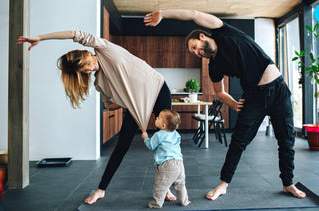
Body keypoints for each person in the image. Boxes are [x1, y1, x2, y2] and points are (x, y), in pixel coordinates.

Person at [144, 9, 306, 200]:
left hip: (279, 90)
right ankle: (223, 185)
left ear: (203, 36)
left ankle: (288, 184)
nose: (197, 52)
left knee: (287, 141)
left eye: (195, 46)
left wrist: (163, 13)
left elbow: (194, 14)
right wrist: (234, 104)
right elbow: (219, 92)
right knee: (238, 143)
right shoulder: (214, 67)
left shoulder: (223, 32)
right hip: (254, 96)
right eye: (193, 52)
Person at [16, 31, 175, 204]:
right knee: (122, 146)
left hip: (158, 89)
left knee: (166, 142)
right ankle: (101, 190)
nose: (89, 68)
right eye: (84, 70)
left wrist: (41, 38)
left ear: (86, 54)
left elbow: (74, 33)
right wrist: (122, 99)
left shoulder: (103, 48)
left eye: (86, 63)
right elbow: (110, 104)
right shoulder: (99, 82)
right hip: (136, 106)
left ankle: (165, 187)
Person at [141, 109, 190, 208]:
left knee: (160, 185)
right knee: (180, 185)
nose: (156, 118)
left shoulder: (158, 135)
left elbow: (151, 146)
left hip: (167, 165)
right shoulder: (176, 134)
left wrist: (145, 138)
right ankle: (184, 201)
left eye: (158, 118)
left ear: (163, 126)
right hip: (179, 163)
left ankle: (157, 203)